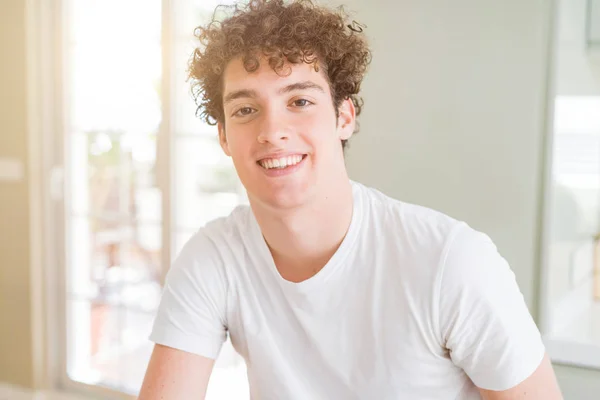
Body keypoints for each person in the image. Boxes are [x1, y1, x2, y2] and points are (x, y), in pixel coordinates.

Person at [139, 1, 563, 399]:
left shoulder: (451, 262)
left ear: (344, 117)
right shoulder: (214, 258)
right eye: (246, 110)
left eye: (300, 101)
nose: (273, 130)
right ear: (224, 137)